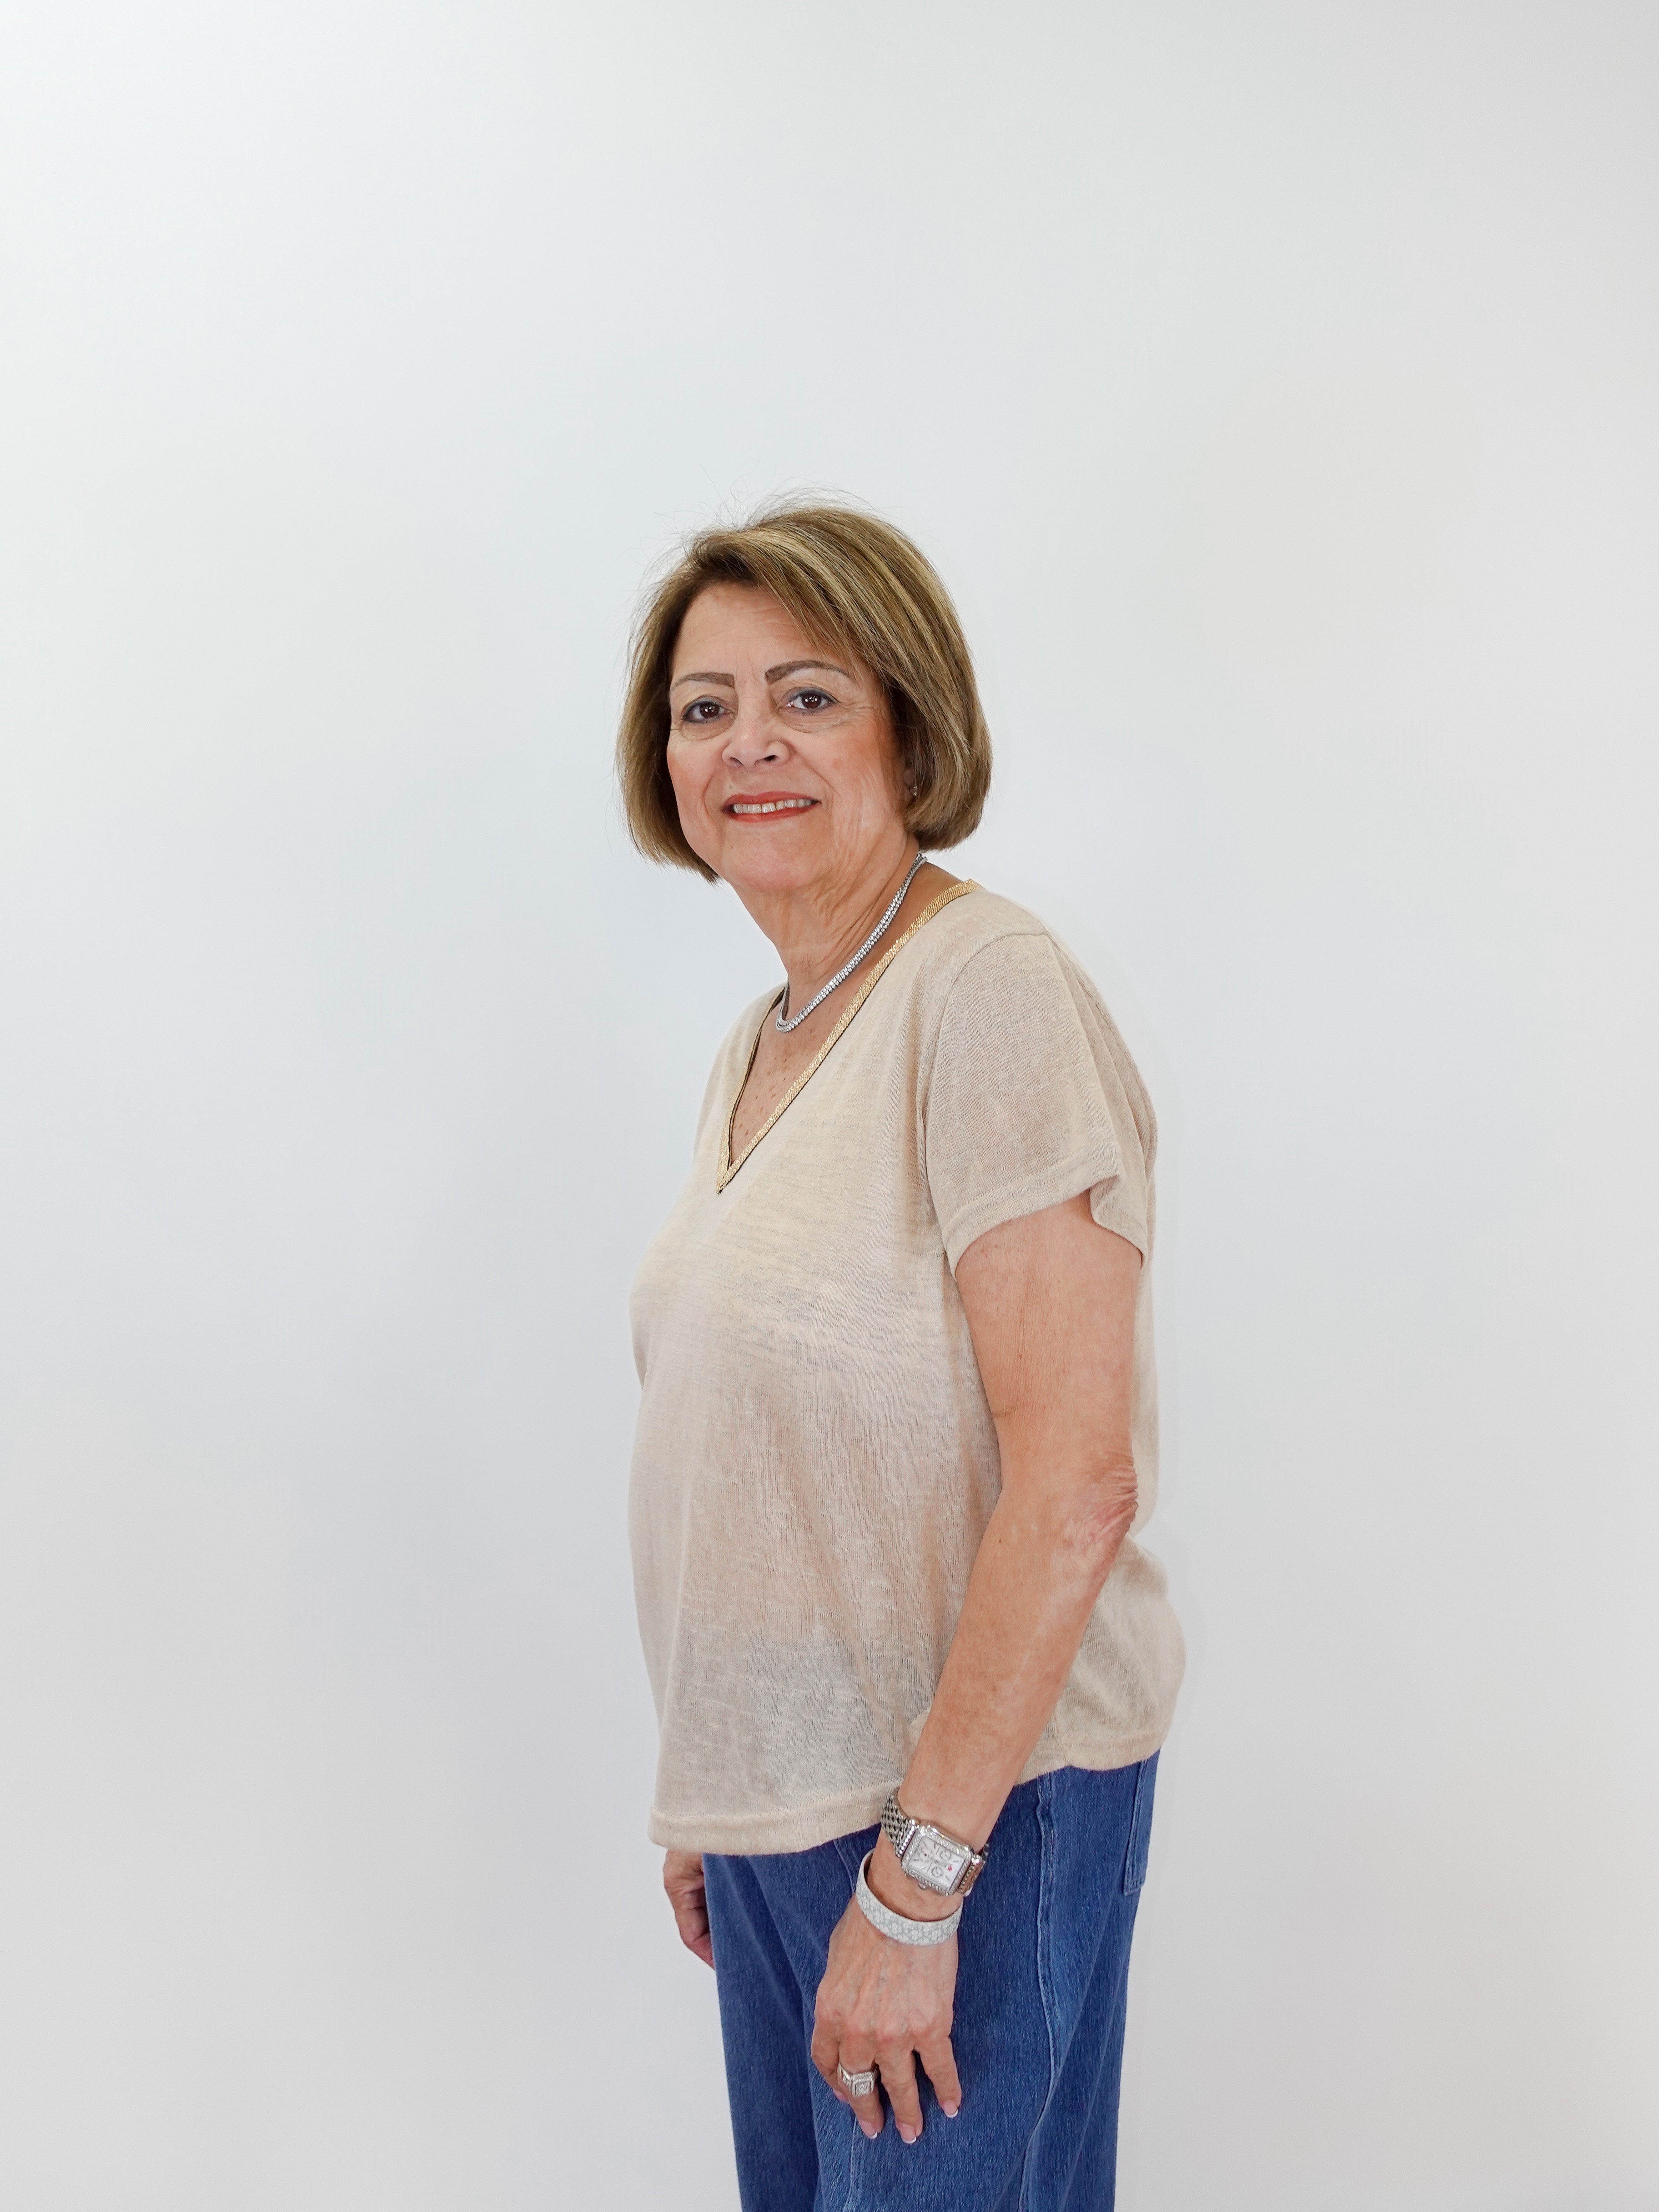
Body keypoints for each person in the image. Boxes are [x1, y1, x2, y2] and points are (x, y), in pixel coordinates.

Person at [618, 503, 1184, 2212]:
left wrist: (920, 1885)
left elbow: (1077, 1481)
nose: (748, 745)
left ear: (909, 727)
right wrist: (715, 1784)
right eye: (705, 707)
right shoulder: (769, 1034)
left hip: (963, 1816)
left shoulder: (984, 990)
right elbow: (758, 1444)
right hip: (794, 1817)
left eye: (807, 695)